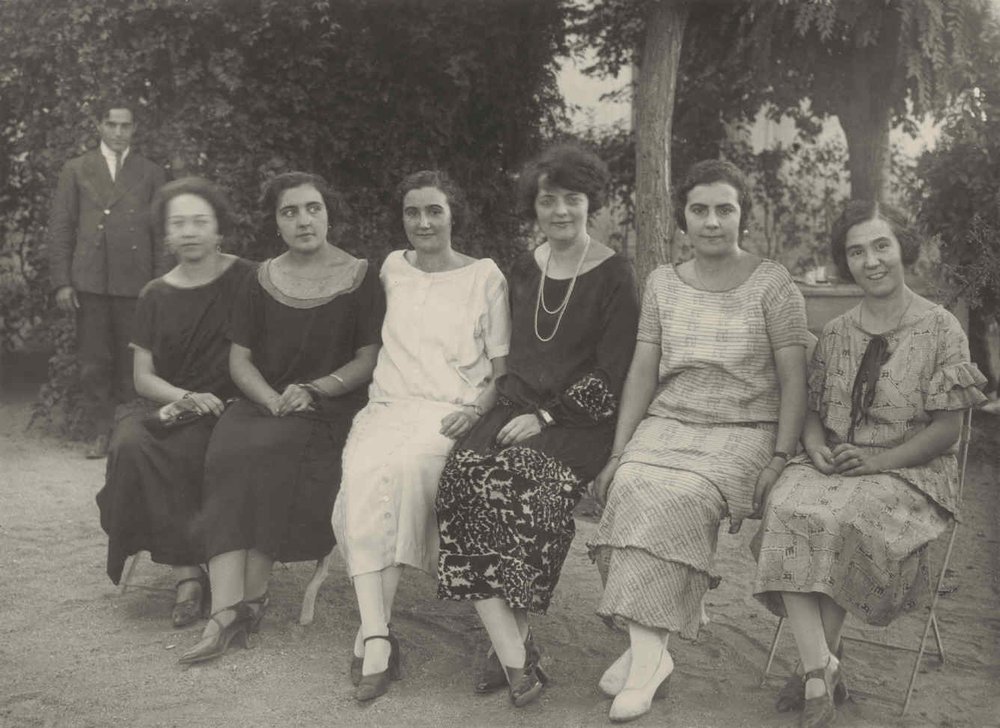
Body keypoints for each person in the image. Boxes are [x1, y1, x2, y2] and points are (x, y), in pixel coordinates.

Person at [588, 159, 811, 723]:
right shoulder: (663, 281)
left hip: (744, 431)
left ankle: (644, 665)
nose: (712, 221)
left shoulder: (772, 283)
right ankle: (651, 653)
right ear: (683, 220)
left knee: (679, 500)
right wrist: (619, 451)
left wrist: (780, 457)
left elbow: (793, 380)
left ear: (742, 217)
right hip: (669, 423)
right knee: (630, 486)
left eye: (725, 209)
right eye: (700, 210)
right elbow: (643, 370)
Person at [751, 200, 986, 728]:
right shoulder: (835, 333)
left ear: (903, 247)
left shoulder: (942, 329)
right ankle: (822, 668)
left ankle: (814, 669)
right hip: (837, 464)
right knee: (788, 504)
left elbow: (946, 432)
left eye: (881, 245)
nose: (871, 260)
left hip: (910, 473)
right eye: (856, 252)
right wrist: (813, 448)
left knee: (843, 519)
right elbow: (811, 411)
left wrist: (879, 460)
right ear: (846, 262)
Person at [435, 144, 640, 708]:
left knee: (522, 485)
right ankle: (517, 651)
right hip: (514, 410)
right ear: (535, 207)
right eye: (548, 200)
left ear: (590, 204)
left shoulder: (616, 275)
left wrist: (546, 417)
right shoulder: (523, 270)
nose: (561, 211)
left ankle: (512, 653)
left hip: (579, 421)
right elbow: (507, 356)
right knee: (463, 478)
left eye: (573, 199)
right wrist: (489, 407)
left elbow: (613, 374)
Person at [178, 172, 385, 665]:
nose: (303, 219)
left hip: (326, 408)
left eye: (312, 208)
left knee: (271, 452)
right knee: (228, 452)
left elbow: (368, 356)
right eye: (289, 212)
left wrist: (315, 389)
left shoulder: (360, 276)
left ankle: (247, 601)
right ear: (276, 223)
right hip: (262, 403)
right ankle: (228, 611)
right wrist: (271, 400)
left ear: (328, 213)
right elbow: (239, 361)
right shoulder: (259, 278)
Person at [332, 170, 511, 701]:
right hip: (388, 407)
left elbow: (502, 374)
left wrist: (476, 411)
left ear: (454, 213)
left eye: (434, 210)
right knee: (363, 478)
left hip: (449, 412)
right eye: (413, 212)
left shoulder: (485, 277)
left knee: (407, 470)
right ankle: (379, 635)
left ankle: (372, 637)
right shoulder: (392, 268)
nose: (423, 222)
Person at [96, 177, 254, 626]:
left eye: (199, 222)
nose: (189, 231)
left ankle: (203, 571)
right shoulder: (155, 294)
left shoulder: (249, 278)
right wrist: (185, 397)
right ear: (165, 234)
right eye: (178, 223)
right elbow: (143, 377)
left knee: (184, 452)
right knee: (130, 445)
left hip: (233, 406)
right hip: (174, 402)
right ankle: (187, 575)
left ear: (218, 228)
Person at [47, 97, 169, 458]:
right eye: (111, 124)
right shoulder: (77, 169)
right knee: (94, 361)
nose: (118, 132)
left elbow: (161, 234)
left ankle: (128, 434)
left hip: (138, 284)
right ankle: (100, 432)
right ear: (99, 126)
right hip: (92, 282)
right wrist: (63, 281)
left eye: (125, 125)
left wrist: (159, 283)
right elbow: (61, 227)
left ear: (135, 129)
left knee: (134, 362)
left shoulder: (150, 172)